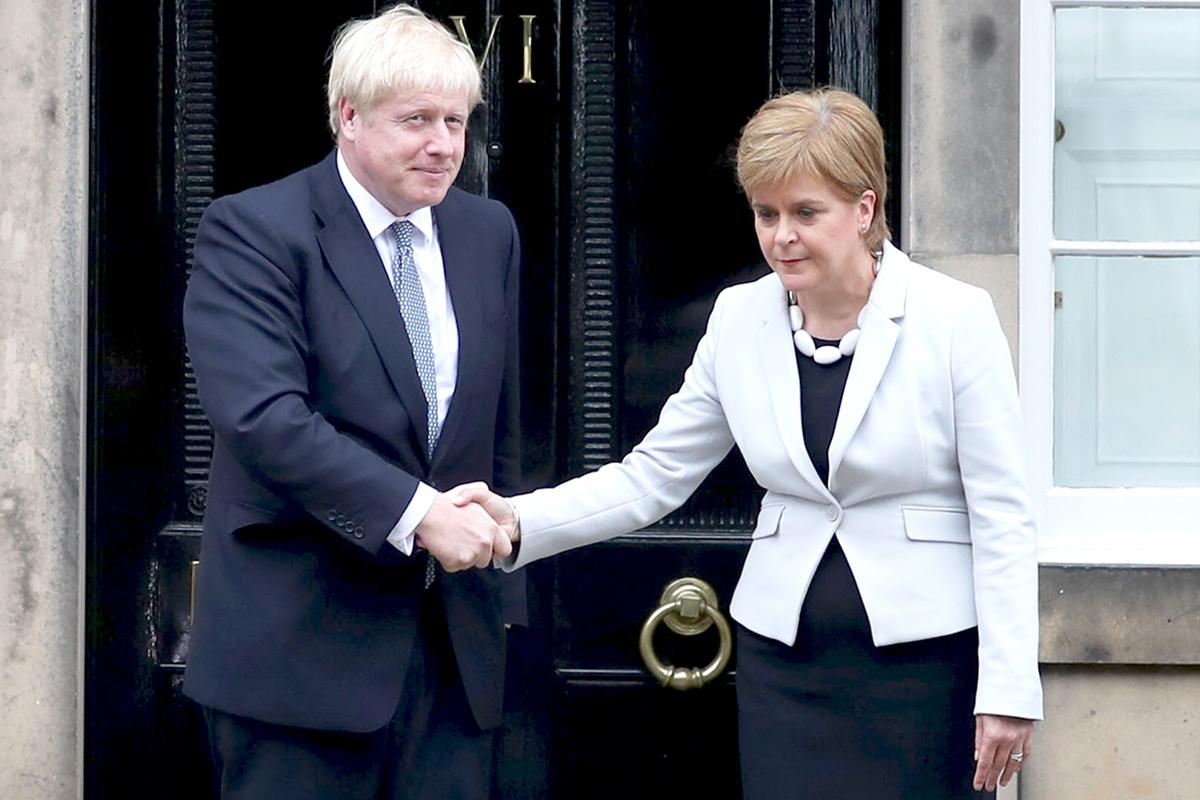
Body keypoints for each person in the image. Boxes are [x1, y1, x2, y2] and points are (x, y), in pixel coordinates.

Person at [456, 88, 1042, 798]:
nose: (781, 236)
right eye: (766, 213)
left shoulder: (955, 317)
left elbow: (1002, 513)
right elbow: (654, 476)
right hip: (783, 668)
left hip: (924, 672)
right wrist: (518, 522)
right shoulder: (739, 319)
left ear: (864, 209)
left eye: (805, 213)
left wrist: (1009, 686)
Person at [181, 5, 523, 798]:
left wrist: (504, 588)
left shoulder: (487, 232)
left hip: (453, 661)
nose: (443, 145)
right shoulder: (255, 229)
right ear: (348, 117)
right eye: (416, 121)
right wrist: (420, 514)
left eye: (455, 121)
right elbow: (262, 417)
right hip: (297, 660)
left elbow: (497, 426)